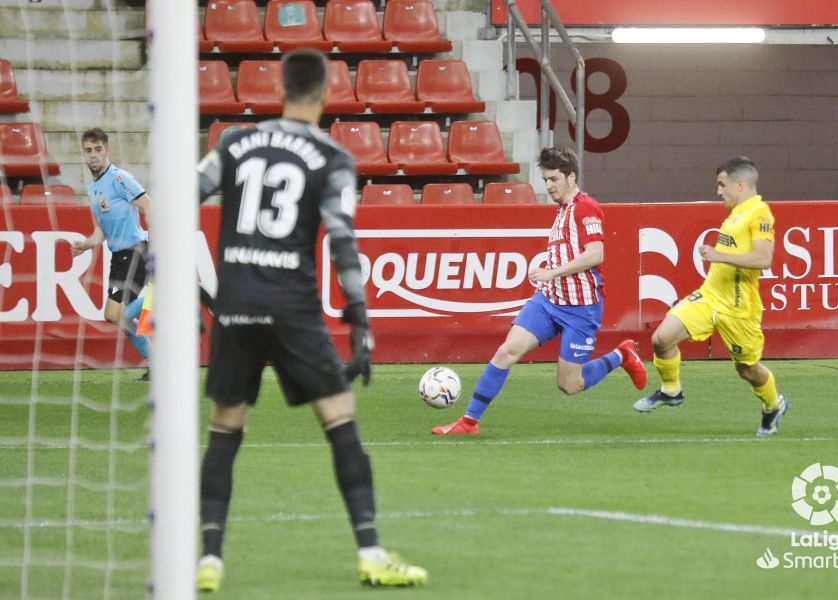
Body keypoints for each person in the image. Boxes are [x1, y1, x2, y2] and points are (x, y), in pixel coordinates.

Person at [194, 48, 427, 591]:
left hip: (235, 303)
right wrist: (360, 313)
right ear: (325, 93)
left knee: (225, 428)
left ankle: (210, 560)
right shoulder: (331, 156)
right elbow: (342, 237)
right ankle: (370, 552)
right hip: (292, 307)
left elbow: (183, 197)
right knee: (340, 420)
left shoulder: (232, 143)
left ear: (281, 86)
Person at [432, 146, 647, 436]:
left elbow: (596, 254)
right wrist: (550, 277)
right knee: (506, 351)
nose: (548, 185)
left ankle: (621, 355)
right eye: (545, 179)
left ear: (571, 177)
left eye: (554, 179)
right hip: (549, 300)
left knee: (569, 385)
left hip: (580, 308)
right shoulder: (562, 210)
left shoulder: (586, 207)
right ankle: (469, 422)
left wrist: (551, 272)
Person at [633, 157, 789, 437]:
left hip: (739, 309)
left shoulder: (760, 214)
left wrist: (720, 256)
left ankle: (773, 404)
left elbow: (764, 259)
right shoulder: (736, 213)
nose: (718, 191)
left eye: (722, 184)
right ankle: (671, 390)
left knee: (747, 370)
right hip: (709, 296)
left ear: (740, 185)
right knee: (661, 338)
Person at [71, 128, 152, 381]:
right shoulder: (92, 188)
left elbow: (150, 206)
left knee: (121, 316)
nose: (93, 155)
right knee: (114, 317)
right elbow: (100, 230)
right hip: (119, 257)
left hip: (136, 250)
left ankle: (158, 296)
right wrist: (86, 245)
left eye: (97, 150)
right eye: (88, 151)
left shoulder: (120, 179)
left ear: (107, 151)